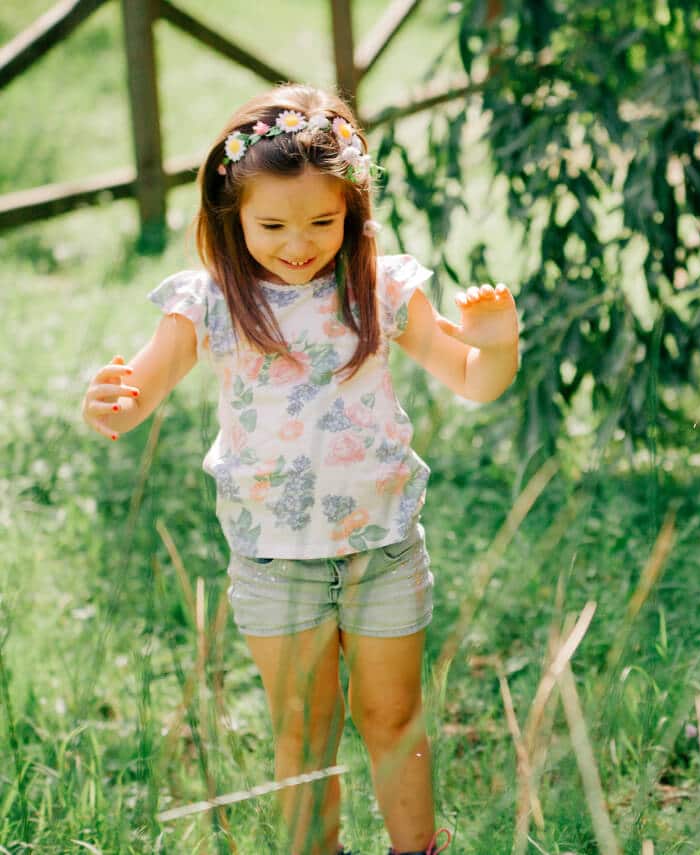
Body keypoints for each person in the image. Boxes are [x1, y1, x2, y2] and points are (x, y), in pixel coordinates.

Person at [80, 84, 519, 855]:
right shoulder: (212, 300)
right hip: (274, 559)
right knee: (304, 736)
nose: (297, 243)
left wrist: (500, 343)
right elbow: (134, 398)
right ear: (232, 216)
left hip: (381, 547)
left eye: (322, 221)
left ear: (352, 210)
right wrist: (108, 401)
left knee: (393, 719)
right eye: (272, 224)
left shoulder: (381, 289)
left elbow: (473, 380)